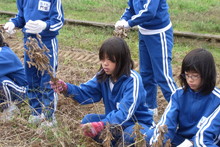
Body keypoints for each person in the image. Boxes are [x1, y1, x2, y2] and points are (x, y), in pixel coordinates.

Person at [50, 37, 154, 145]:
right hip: (115, 125)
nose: (105, 63)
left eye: (110, 60)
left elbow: (125, 113)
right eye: (103, 59)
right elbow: (85, 93)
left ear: (121, 60)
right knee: (88, 121)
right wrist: (66, 88)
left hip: (137, 124)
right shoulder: (103, 76)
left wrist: (103, 124)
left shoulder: (133, 80)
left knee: (130, 135)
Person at [4, 0, 64, 126]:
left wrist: (44, 25)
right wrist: (13, 23)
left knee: (48, 80)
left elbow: (58, 21)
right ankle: (35, 112)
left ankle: (48, 117)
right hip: (29, 43)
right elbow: (21, 17)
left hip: (46, 43)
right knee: (31, 79)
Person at [114, 0, 177, 116]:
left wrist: (129, 23)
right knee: (146, 74)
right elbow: (131, 8)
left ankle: (182, 111)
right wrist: (123, 19)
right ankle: (150, 110)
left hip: (159, 34)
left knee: (163, 76)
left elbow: (149, 11)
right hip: (144, 33)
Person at [149, 48, 220, 146]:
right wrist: (158, 142)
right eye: (187, 75)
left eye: (195, 76)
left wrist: (193, 143)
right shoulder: (178, 95)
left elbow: (207, 136)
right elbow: (167, 123)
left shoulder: (217, 100)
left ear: (207, 75)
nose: (190, 80)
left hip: (204, 142)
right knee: (147, 135)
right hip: (181, 140)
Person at [0, 31, 27, 120]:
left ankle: (9, 109)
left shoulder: (4, 55)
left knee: (2, 82)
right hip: (13, 88)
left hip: (24, 91)